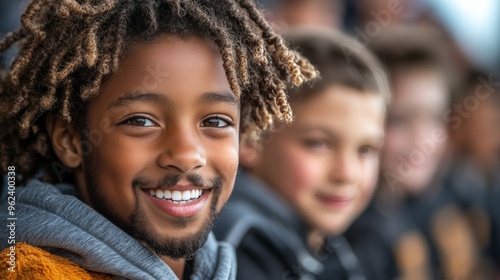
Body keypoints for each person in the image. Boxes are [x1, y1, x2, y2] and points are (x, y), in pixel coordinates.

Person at [0, 1, 316, 279]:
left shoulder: (225, 262)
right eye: (141, 121)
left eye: (215, 121)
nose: (187, 154)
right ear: (69, 140)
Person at [214, 27, 389, 280]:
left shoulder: (327, 243)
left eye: (366, 149)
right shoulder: (240, 250)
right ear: (251, 139)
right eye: (318, 144)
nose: (347, 173)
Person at [345, 25, 489, 280]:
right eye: (400, 119)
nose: (423, 139)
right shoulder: (354, 237)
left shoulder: (446, 197)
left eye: (435, 117)